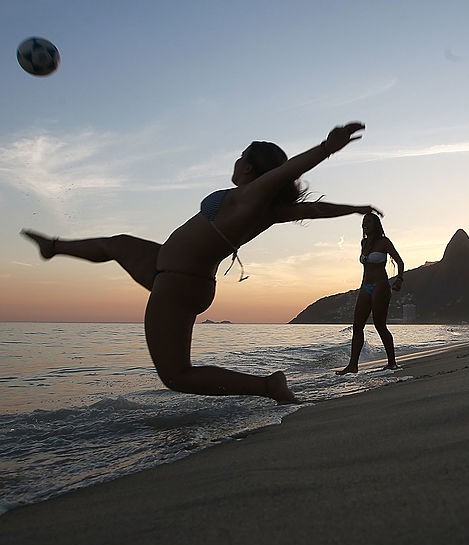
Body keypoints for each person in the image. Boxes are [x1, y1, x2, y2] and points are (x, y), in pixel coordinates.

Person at [23, 122, 377, 404]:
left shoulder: (252, 197)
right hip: (167, 268)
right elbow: (314, 209)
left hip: (180, 281)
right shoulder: (263, 206)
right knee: (118, 245)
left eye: (241, 156)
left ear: (250, 166)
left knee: (177, 376)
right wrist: (356, 208)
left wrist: (327, 148)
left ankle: (268, 386)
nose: (236, 161)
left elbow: (285, 175)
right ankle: (53, 247)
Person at [337, 212, 405, 374]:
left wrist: (399, 280)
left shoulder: (384, 242)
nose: (365, 224)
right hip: (365, 286)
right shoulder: (364, 243)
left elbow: (400, 261)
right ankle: (353, 365)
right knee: (357, 325)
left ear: (376, 224)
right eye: (363, 222)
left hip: (380, 285)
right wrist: (363, 286)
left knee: (379, 325)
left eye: (368, 222)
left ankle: (392, 362)